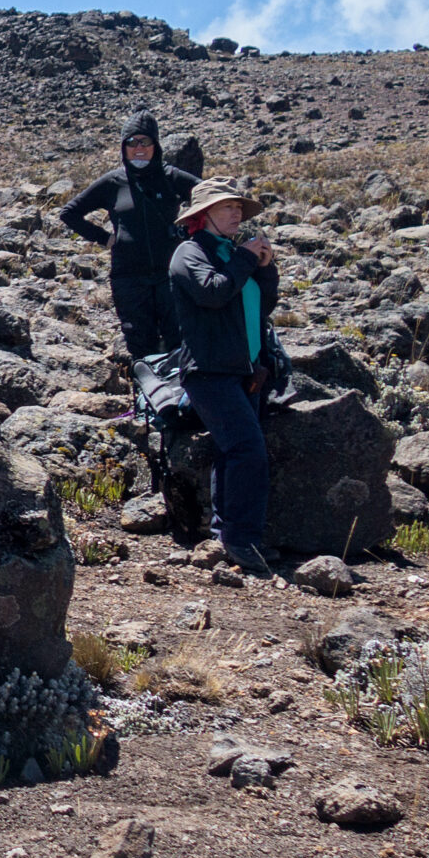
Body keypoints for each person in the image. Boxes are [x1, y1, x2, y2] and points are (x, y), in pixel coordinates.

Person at [168, 179, 282, 578]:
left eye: (239, 207)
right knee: (247, 450)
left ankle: (225, 535)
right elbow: (212, 293)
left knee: (231, 452)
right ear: (203, 215)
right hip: (209, 372)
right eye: (227, 206)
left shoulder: (233, 253)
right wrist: (247, 261)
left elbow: (262, 304)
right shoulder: (189, 253)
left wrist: (264, 268)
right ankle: (242, 540)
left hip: (244, 371)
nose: (237, 213)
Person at [58, 113, 200, 359]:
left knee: (180, 342)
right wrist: (105, 238)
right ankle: (146, 393)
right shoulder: (114, 181)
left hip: (170, 275)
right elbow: (69, 212)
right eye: (131, 142)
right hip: (129, 279)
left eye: (145, 141)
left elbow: (212, 198)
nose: (139, 148)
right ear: (124, 147)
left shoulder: (171, 177)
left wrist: (190, 231)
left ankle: (181, 394)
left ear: (156, 145)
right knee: (140, 345)